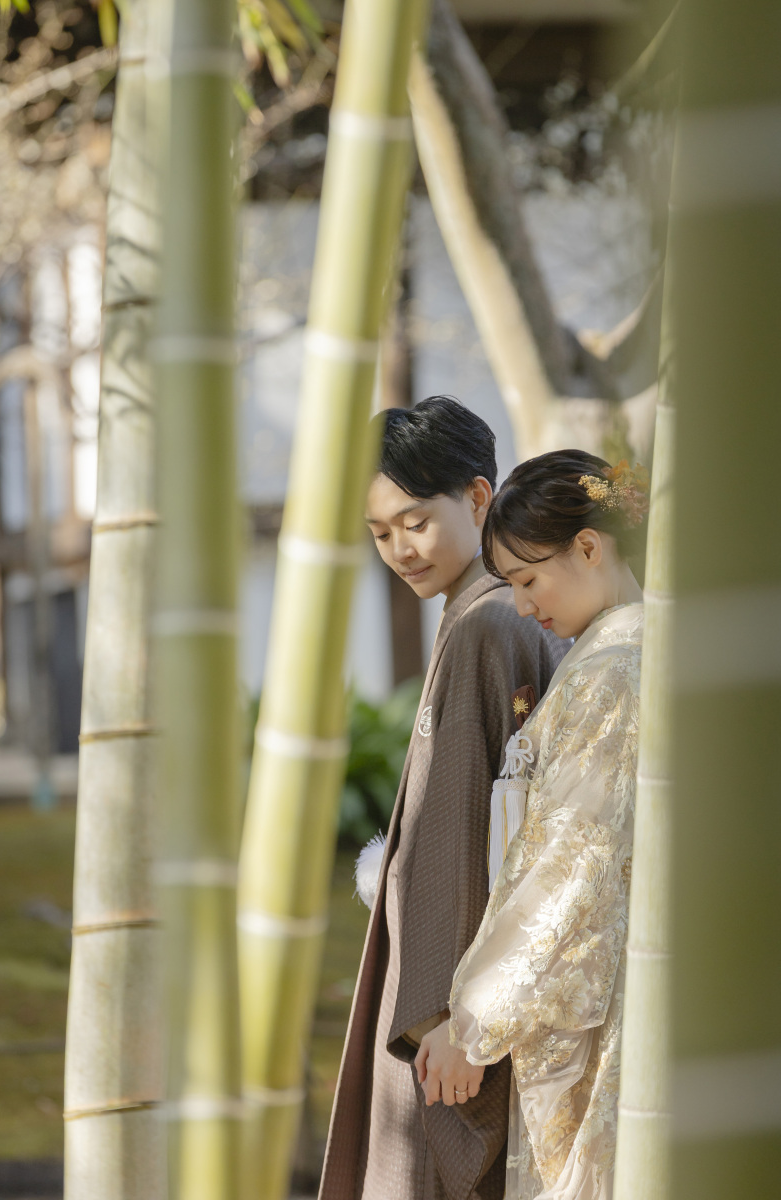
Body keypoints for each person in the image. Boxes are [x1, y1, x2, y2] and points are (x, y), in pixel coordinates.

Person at [318, 398, 568, 1200]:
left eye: (414, 521)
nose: (398, 549)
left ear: (479, 497)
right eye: (380, 532)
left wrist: (445, 1017)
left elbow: (463, 833)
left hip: (448, 999)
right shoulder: (496, 611)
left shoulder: (490, 625)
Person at [414, 450, 648, 1200]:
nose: (521, 606)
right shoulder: (609, 654)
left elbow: (568, 868)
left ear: (588, 546)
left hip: (593, 1003)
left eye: (527, 579)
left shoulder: (614, 670)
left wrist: (476, 1016)